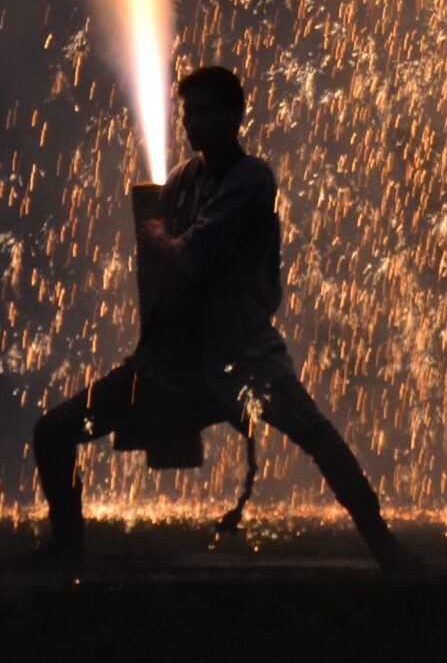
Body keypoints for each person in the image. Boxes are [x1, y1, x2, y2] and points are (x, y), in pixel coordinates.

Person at [26, 64, 416, 570]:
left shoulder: (253, 179)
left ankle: (387, 548)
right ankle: (67, 547)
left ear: (235, 118)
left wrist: (165, 242)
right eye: (189, 115)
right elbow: (164, 275)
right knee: (54, 431)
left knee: (317, 435)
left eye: (206, 114)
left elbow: (191, 257)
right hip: (173, 364)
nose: (193, 125)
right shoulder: (185, 179)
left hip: (242, 358)